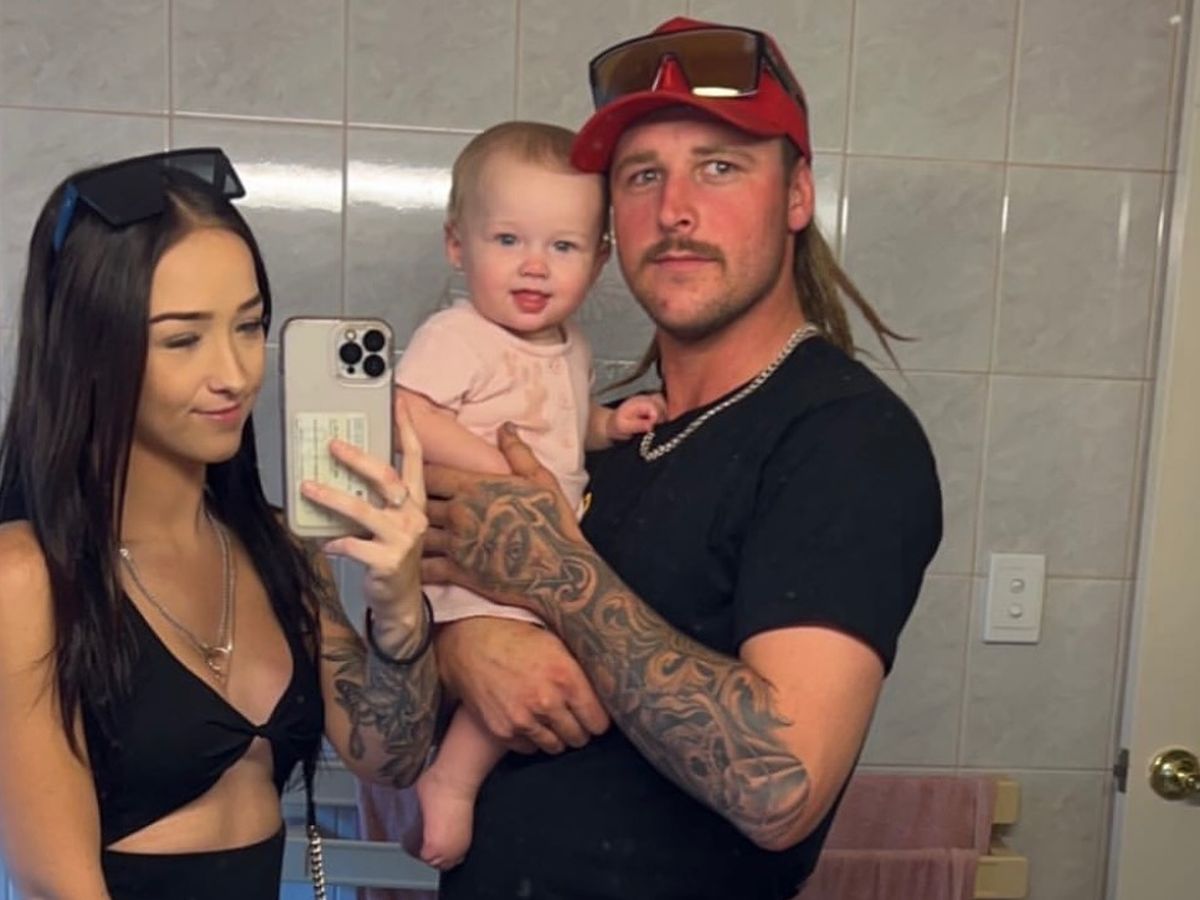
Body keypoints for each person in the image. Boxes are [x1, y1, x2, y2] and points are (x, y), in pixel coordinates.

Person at [420, 17, 943, 900]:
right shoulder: (602, 427)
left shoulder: (847, 439)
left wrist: (556, 573)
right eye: (642, 176)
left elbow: (780, 789)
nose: (674, 211)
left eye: (720, 166)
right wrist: (462, 645)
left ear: (797, 195)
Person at [0, 149, 439, 899]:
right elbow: (56, 886)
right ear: (89, 348)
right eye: (183, 339)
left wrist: (399, 611)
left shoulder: (277, 551)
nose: (234, 374)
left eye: (249, 326)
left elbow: (390, 759)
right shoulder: (26, 578)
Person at [378, 121, 665, 870]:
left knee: (576, 662)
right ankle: (452, 782)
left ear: (598, 260)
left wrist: (608, 424)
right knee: (534, 660)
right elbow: (406, 410)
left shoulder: (570, 345)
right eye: (507, 240)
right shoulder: (459, 333)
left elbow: (563, 426)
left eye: (563, 247)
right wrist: (505, 478)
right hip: (471, 549)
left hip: (533, 551)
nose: (534, 266)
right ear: (457, 245)